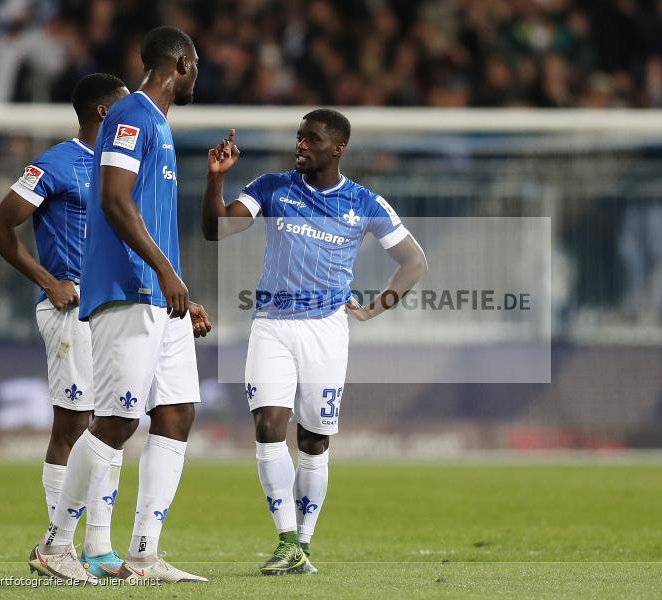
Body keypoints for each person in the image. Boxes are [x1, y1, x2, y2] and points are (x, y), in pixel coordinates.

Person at [202, 110, 428, 575]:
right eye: (299, 137)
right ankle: (286, 538)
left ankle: (304, 543)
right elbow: (217, 228)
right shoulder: (272, 186)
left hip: (327, 330)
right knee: (268, 425)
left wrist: (374, 306)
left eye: (311, 138)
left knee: (313, 440)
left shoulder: (365, 202)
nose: (300, 145)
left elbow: (414, 262)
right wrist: (214, 180)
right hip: (271, 324)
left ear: (337, 148)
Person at [28, 26, 211, 583]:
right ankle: (56, 546)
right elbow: (113, 199)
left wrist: (176, 282)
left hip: (160, 294)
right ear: (180, 63)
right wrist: (161, 270)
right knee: (115, 420)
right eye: (196, 63)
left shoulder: (156, 123)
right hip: (128, 289)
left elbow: (149, 215)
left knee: (177, 411)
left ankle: (144, 552)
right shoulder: (131, 115)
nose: (198, 72)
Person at [0, 73, 129, 578]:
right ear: (103, 114)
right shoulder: (54, 164)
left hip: (114, 308)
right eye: (125, 110)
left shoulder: (120, 168)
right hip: (71, 307)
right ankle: (57, 544)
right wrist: (48, 280)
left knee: (112, 423)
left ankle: (95, 546)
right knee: (74, 423)